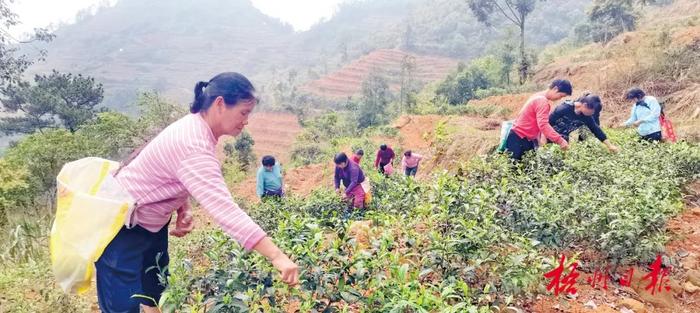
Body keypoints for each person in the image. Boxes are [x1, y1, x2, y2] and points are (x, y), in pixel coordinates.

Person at [101, 73, 299, 313]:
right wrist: (277, 256)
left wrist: (183, 206)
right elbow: (224, 209)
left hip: (150, 224)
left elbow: (170, 172)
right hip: (122, 228)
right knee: (124, 305)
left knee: (154, 292)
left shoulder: (197, 127)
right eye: (244, 112)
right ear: (219, 104)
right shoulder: (193, 144)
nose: (246, 121)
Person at [503, 79, 572, 160]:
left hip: (520, 137)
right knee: (515, 168)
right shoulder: (542, 102)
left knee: (521, 168)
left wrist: (539, 139)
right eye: (561, 96)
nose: (559, 99)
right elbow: (543, 125)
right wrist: (560, 141)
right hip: (519, 139)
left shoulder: (537, 96)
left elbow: (535, 122)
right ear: (555, 89)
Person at [549, 94, 620, 153]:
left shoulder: (586, 116)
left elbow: (596, 129)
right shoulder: (563, 109)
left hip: (563, 140)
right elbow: (546, 124)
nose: (592, 114)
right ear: (585, 105)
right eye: (592, 112)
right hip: (550, 136)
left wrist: (610, 145)